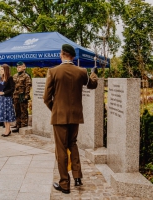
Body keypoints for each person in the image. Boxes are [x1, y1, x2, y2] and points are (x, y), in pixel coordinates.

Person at [43, 44, 98, 194]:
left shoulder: (53, 72)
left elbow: (46, 98)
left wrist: (55, 110)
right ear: (73, 57)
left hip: (59, 116)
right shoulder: (81, 71)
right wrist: (93, 74)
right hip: (75, 116)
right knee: (72, 144)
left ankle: (64, 183)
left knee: (61, 148)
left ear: (62, 54)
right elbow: (92, 85)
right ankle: (78, 176)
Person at [0, 64, 16, 137]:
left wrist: (4, 92)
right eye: (0, 69)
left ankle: (8, 130)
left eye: (2, 69)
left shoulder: (10, 78)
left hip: (7, 98)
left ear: (6, 70)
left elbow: (12, 88)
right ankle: (6, 129)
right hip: (1, 99)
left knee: (7, 114)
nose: (0, 71)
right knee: (3, 114)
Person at [12, 61, 32, 133]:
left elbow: (28, 86)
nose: (18, 68)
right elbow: (13, 87)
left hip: (22, 96)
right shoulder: (14, 76)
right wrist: (12, 96)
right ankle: (18, 125)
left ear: (24, 67)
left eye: (20, 67)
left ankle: (24, 125)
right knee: (17, 111)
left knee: (23, 111)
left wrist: (26, 96)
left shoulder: (26, 76)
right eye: (17, 67)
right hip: (16, 96)